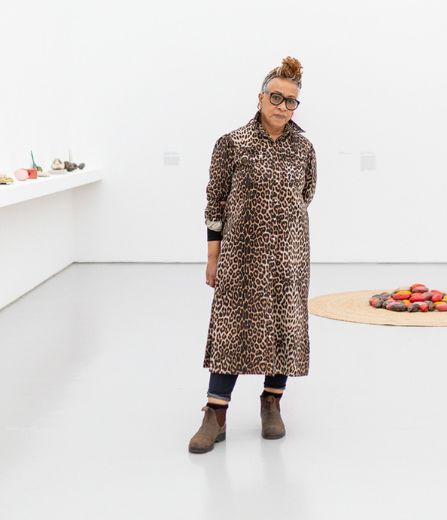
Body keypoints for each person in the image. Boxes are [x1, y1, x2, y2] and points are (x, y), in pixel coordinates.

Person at [189, 56, 317, 454]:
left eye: (291, 100)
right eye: (276, 97)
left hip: (290, 256)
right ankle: (215, 413)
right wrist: (214, 257)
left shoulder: (304, 147)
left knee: (284, 326)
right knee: (231, 327)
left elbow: (306, 194)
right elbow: (215, 203)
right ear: (261, 98)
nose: (282, 105)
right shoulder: (232, 143)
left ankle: (272, 401)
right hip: (240, 257)